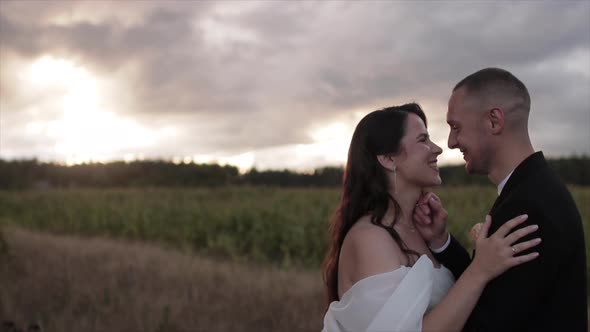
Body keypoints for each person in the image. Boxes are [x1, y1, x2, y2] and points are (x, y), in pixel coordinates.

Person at [321, 103, 541, 332]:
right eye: (423, 140)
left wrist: (440, 240)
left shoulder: (419, 230)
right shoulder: (370, 238)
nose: (437, 148)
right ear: (388, 159)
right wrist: (481, 270)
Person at [414, 68, 587, 332]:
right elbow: (489, 288)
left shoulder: (529, 208)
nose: (450, 142)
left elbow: (486, 320)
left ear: (494, 121)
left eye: (456, 127)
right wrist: (442, 242)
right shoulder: (532, 190)